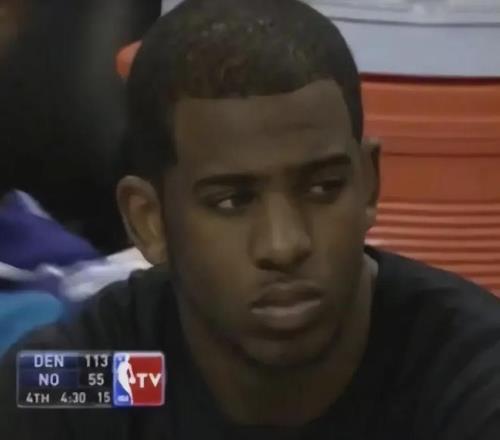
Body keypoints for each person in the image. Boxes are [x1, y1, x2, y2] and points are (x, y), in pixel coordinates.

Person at [1, 0, 500, 438]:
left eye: (323, 188)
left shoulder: (465, 380)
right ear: (149, 220)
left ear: (368, 184)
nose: (284, 244)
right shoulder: (120, 376)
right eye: (232, 201)